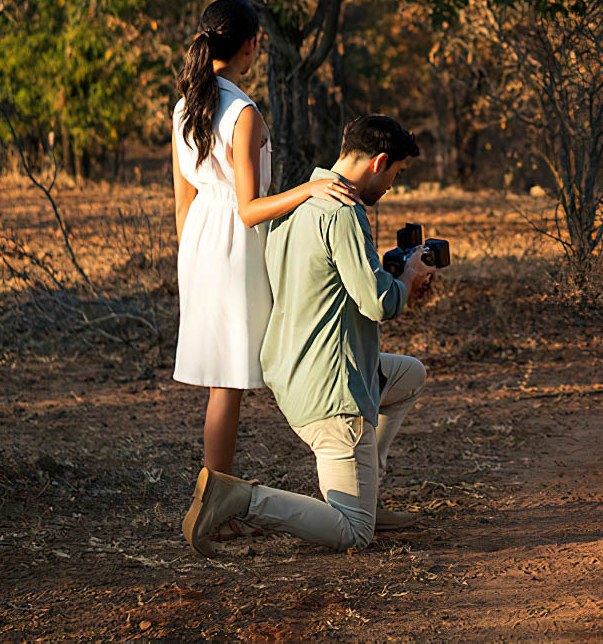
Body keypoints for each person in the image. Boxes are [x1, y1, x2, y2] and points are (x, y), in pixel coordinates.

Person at [182, 114, 435, 556]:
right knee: (354, 532)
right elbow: (377, 303)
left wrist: (389, 272)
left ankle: (365, 491)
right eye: (395, 174)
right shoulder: (344, 212)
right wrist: (407, 281)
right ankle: (238, 499)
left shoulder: (296, 200)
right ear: (378, 162)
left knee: (409, 375)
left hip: (294, 372)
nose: (391, 186)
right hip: (334, 392)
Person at [170, 0, 359, 542]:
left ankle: (217, 503)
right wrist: (312, 187)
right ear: (251, 43)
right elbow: (250, 208)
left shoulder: (186, 104)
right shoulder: (243, 112)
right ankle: (216, 508)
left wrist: (192, 260)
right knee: (229, 383)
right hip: (234, 244)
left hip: (200, 242)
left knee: (224, 382)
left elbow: (183, 199)